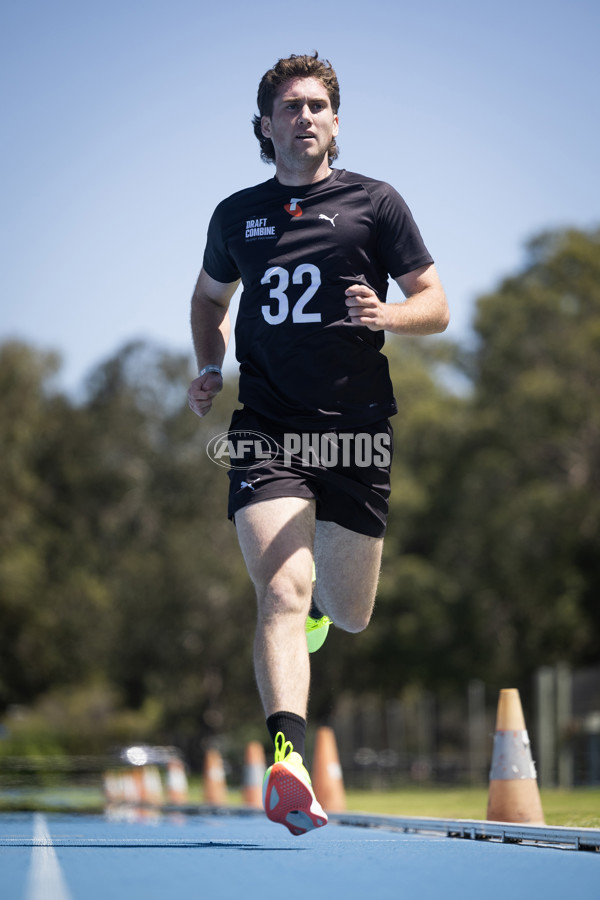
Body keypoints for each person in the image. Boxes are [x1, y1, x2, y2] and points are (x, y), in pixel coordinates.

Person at [187, 52, 449, 836]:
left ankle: (317, 624)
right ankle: (286, 761)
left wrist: (388, 317)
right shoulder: (236, 215)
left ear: (336, 120)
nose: (304, 117)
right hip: (266, 430)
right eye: (290, 107)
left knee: (349, 611)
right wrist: (210, 362)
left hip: (359, 433)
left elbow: (435, 303)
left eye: (318, 105)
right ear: (265, 127)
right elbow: (206, 300)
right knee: (280, 589)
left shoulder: (377, 203)